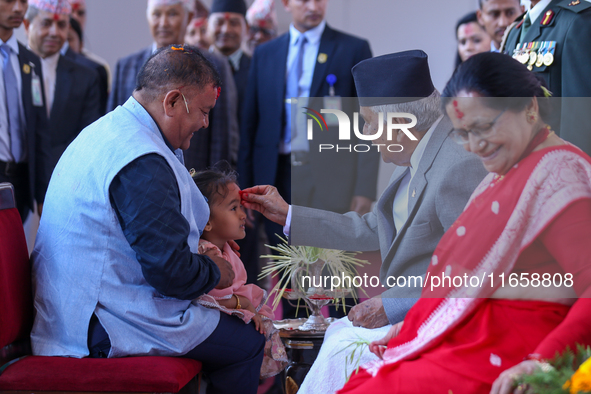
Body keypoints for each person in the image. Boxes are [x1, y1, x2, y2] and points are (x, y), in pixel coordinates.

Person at [327, 52, 591, 393]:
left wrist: (541, 362)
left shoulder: (560, 174)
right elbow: (457, 277)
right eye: (464, 133)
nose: (475, 146)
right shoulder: (503, 172)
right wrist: (412, 327)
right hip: (464, 337)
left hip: (504, 351)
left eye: (484, 127)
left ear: (530, 109)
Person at [240, 50, 488, 393]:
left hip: (435, 323)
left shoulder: (458, 166)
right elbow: (375, 226)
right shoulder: (423, 153)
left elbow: (475, 271)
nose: (366, 134)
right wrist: (289, 214)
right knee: (335, 341)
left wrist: (392, 306)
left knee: (337, 348)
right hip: (408, 315)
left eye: (369, 121)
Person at [30, 44, 265, 394]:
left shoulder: (114, 130)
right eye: (203, 111)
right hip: (97, 322)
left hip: (86, 304)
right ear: (171, 102)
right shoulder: (141, 158)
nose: (205, 123)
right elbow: (170, 273)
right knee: (247, 344)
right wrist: (217, 271)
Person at [239, 0, 378, 257]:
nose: (313, 6)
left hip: (333, 177)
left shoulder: (352, 49)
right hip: (276, 174)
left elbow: (369, 122)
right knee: (287, 268)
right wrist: (246, 188)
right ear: (286, 4)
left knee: (333, 269)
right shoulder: (265, 54)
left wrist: (365, 188)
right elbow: (250, 126)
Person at [109, 0, 239, 173]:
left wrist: (214, 187)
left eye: (172, 14)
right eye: (156, 14)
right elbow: (115, 129)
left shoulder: (212, 65)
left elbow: (221, 138)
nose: (163, 23)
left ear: (189, 16)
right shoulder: (125, 66)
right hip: (134, 175)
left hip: (193, 179)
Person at [191, 164, 288, 379]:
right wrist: (243, 304)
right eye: (234, 208)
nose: (243, 215)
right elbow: (203, 301)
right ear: (207, 222)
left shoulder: (226, 248)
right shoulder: (206, 256)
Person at [501, 0, 591, 155]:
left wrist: (570, 172)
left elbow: (579, 120)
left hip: (557, 166)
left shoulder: (577, 21)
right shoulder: (516, 31)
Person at [24, 0, 101, 173]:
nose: (54, 32)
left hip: (65, 173)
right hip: (16, 179)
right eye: (46, 23)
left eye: (61, 25)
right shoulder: (9, 68)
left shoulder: (86, 77)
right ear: (27, 24)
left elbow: (88, 137)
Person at [0, 0, 51, 222]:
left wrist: (42, 193)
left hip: (20, 181)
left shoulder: (30, 62)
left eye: (23, 1)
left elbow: (39, 128)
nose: (19, 9)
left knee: (13, 253)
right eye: (10, 1)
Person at [207, 0, 250, 124]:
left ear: (246, 28)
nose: (226, 30)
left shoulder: (257, 70)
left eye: (234, 23)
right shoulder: (193, 66)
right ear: (207, 25)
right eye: (219, 22)